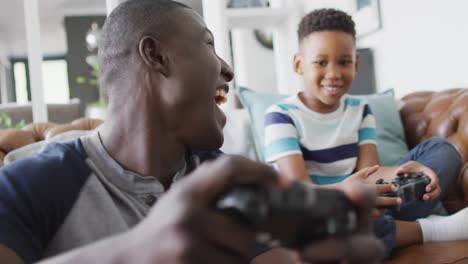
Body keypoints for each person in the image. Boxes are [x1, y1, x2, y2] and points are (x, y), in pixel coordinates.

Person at [0, 1, 384, 263]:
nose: (228, 70)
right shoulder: (26, 186)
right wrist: (135, 253)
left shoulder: (231, 184)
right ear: (156, 56)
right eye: (209, 44)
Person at [264, 8, 467, 258]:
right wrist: (346, 192)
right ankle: (429, 230)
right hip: (317, 208)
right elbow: (298, 190)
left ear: (356, 63)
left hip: (365, 204)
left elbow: (372, 174)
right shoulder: (280, 115)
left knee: (442, 151)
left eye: (344, 62)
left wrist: (407, 171)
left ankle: (377, 227)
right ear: (299, 64)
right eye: (321, 62)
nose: (334, 73)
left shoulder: (360, 110)